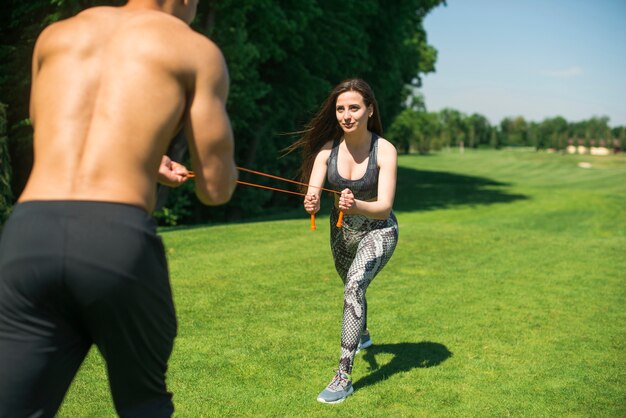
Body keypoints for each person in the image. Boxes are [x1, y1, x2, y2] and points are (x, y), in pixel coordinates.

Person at [0, 0, 237, 416]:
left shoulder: (57, 35)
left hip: (29, 231)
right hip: (114, 238)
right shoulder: (195, 51)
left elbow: (55, 135)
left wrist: (144, 158)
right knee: (144, 403)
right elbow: (215, 189)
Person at [294, 79, 399, 403]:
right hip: (341, 234)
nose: (346, 115)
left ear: (369, 110)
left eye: (353, 107)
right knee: (354, 287)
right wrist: (310, 202)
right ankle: (362, 333)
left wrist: (356, 205)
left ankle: (343, 377)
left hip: (379, 230)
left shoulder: (385, 150)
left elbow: (383, 208)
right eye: (340, 109)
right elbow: (313, 193)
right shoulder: (328, 149)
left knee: (353, 286)